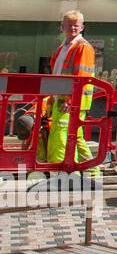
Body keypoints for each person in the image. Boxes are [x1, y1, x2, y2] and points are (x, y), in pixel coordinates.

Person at [41, 10, 101, 177]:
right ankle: (92, 172)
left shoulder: (83, 47)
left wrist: (70, 100)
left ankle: (63, 173)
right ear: (62, 27)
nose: (72, 28)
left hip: (69, 101)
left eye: (76, 25)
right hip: (63, 99)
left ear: (82, 27)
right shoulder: (64, 47)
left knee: (60, 137)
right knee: (76, 137)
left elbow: (81, 77)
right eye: (69, 25)